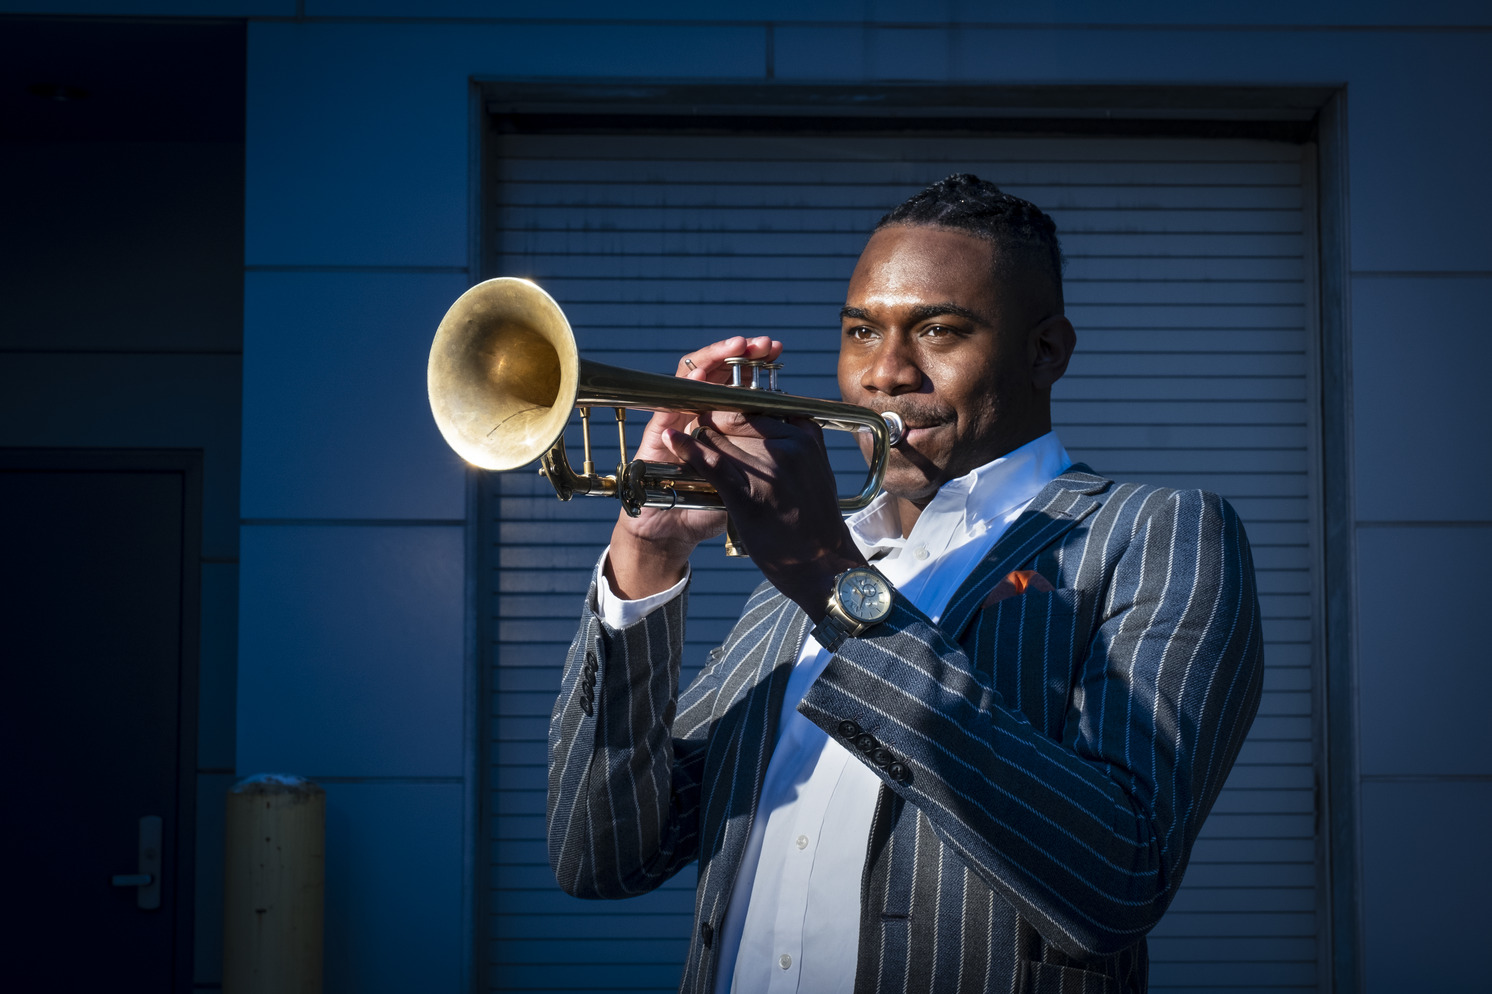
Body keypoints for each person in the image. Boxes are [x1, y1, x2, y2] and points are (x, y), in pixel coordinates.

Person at [546, 174, 1264, 994]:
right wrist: (649, 557)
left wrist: (826, 577)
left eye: (938, 331)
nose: (885, 374)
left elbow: (1119, 877)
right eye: (860, 331)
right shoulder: (809, 564)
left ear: (1046, 351)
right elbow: (601, 857)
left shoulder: (1155, 533)